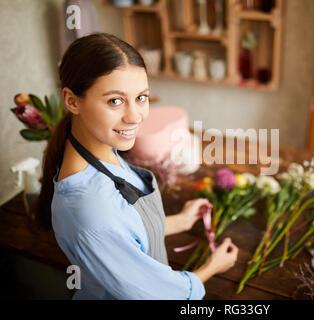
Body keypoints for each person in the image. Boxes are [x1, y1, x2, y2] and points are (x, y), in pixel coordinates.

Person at [34, 33, 238, 300]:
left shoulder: (100, 148)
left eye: (141, 98)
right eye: (115, 101)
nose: (134, 116)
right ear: (72, 101)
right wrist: (212, 267)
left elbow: (127, 231)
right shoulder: (91, 211)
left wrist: (181, 222)